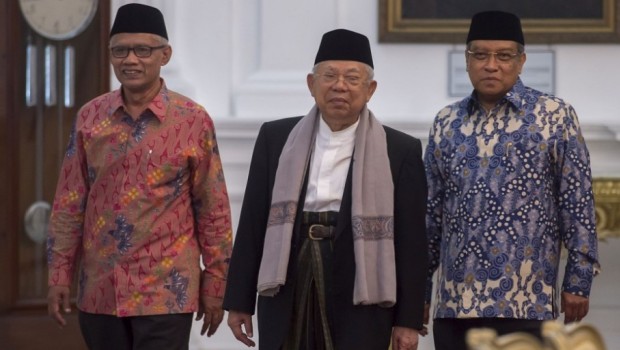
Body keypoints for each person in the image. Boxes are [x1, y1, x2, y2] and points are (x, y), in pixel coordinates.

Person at [223, 29, 428, 350]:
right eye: (329, 75)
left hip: (360, 287)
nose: (339, 86)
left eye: (352, 78)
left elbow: (412, 242)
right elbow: (252, 222)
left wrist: (408, 320)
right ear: (311, 84)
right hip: (289, 276)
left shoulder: (399, 150)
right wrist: (239, 300)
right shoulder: (276, 138)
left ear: (370, 89)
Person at [46, 4, 233, 349]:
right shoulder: (90, 117)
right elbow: (69, 203)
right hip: (101, 290)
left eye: (142, 50)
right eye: (121, 51)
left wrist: (217, 283)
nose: (130, 60)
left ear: (165, 55)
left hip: (166, 290)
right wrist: (60, 273)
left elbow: (213, 208)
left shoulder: (192, 120)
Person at [423, 10, 601, 350]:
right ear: (467, 60)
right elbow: (430, 215)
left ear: (521, 61)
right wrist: (417, 293)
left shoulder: (553, 115)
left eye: (503, 56)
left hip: (526, 300)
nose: (491, 65)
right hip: (455, 304)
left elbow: (577, 202)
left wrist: (578, 281)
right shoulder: (446, 122)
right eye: (481, 55)